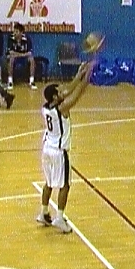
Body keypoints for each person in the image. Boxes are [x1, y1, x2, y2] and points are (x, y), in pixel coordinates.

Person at [36, 61, 95, 233]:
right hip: (59, 152)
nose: (63, 91)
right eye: (59, 91)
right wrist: (88, 76)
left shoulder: (46, 107)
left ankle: (43, 212)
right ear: (55, 97)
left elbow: (68, 90)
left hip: (47, 149)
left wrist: (78, 73)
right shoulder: (63, 109)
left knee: (48, 182)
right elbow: (78, 94)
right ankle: (59, 218)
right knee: (65, 185)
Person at [6, 23, 36, 90]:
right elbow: (11, 52)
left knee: (32, 59)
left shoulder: (27, 38)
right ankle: (10, 81)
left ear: (21, 32)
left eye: (17, 31)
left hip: (24, 57)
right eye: (14, 31)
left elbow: (29, 52)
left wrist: (20, 55)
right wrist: (20, 54)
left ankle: (32, 81)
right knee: (10, 59)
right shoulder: (10, 38)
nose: (15, 33)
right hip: (15, 58)